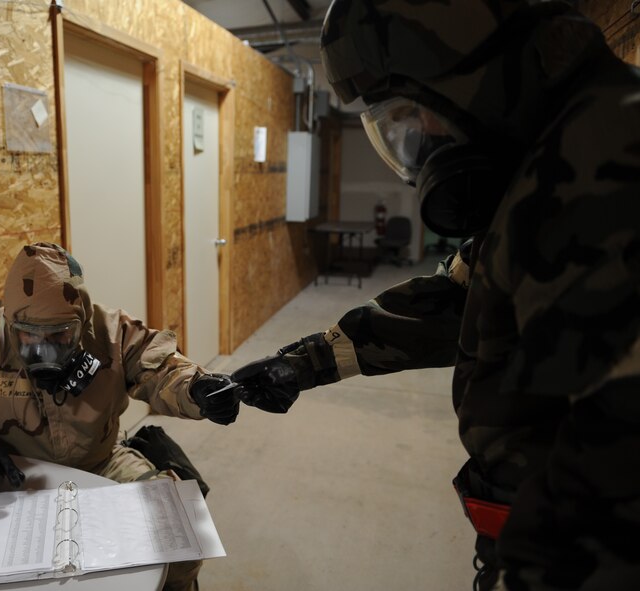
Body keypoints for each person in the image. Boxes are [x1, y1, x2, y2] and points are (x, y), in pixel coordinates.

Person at [232, 1, 640, 589]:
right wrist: (302, 364)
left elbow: (615, 494)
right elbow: (459, 298)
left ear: (472, 77)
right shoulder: (555, 160)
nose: (423, 139)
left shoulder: (603, 173)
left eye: (417, 113)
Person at [0, 242, 240, 591]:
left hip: (102, 462)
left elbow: (161, 368)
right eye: (29, 335)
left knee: (180, 545)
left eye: (60, 335)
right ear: (11, 322)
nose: (44, 348)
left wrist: (197, 389)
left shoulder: (112, 332)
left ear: (82, 322)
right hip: (19, 476)